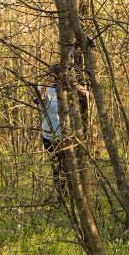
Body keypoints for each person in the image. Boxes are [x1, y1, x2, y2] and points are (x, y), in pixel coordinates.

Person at [41, 64, 87, 195]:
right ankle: (62, 195)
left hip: (68, 136)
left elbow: (86, 95)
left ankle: (74, 194)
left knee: (72, 168)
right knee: (57, 169)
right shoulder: (46, 89)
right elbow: (37, 99)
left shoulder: (70, 88)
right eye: (55, 75)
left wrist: (72, 83)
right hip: (50, 136)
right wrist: (49, 82)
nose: (58, 77)